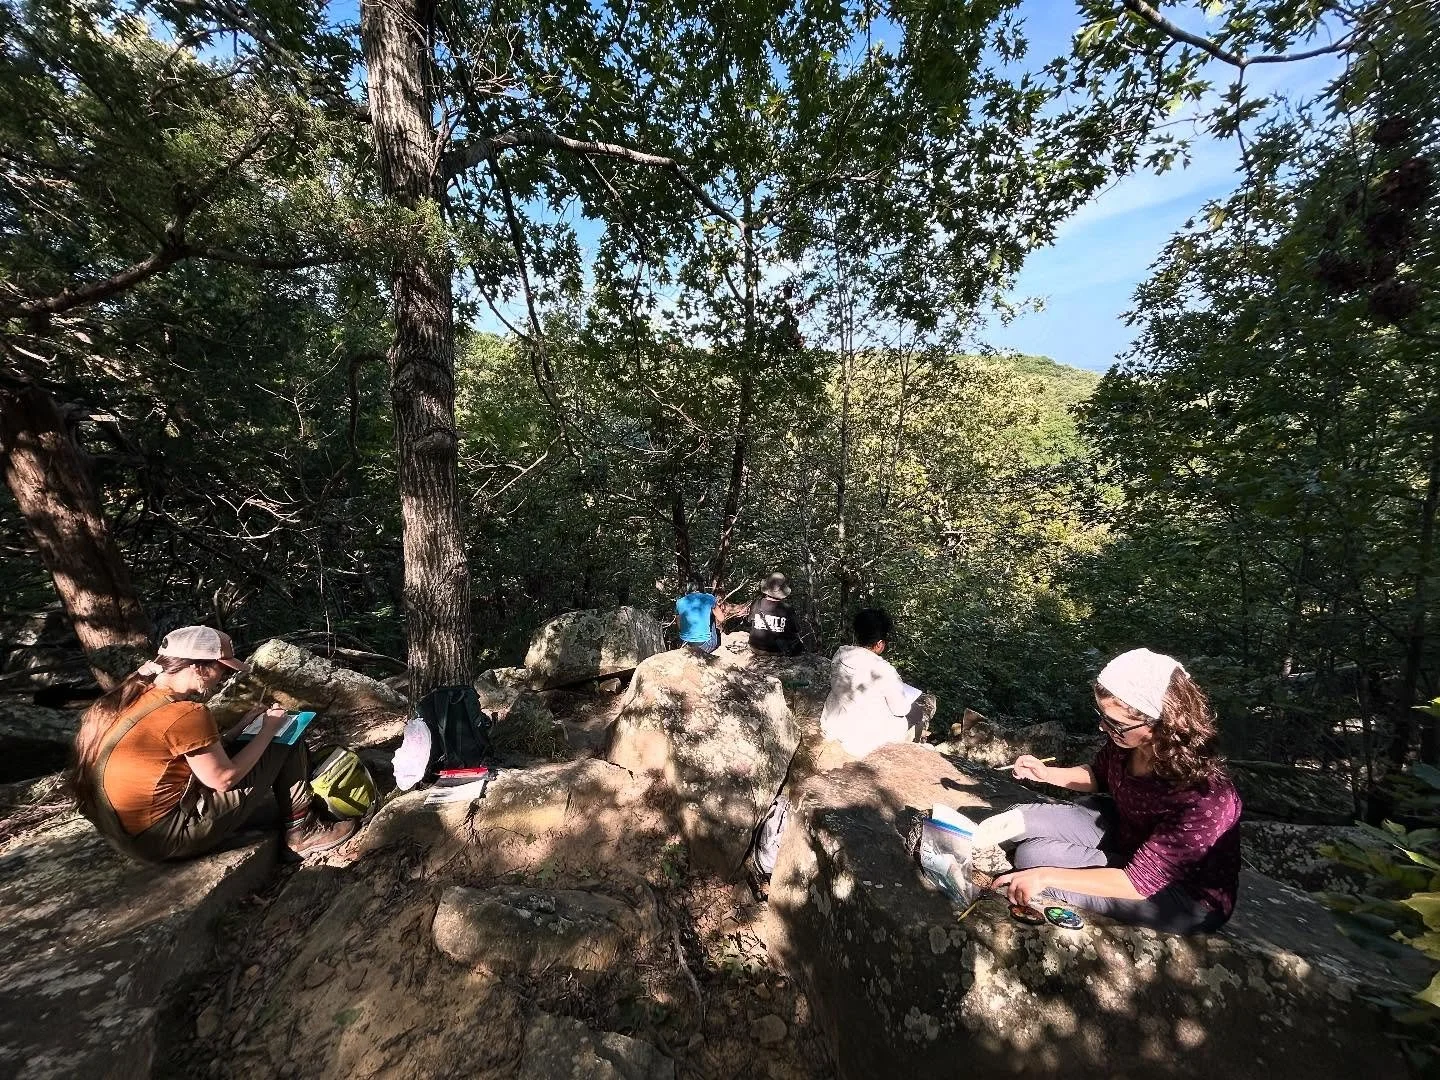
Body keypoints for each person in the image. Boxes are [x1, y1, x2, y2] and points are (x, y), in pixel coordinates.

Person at [989, 647, 1242, 934]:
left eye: (1115, 723)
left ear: (1161, 722)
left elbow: (1140, 882)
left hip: (1178, 894)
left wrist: (1044, 877)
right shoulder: (1126, 741)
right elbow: (1099, 775)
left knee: (1032, 859)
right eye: (1103, 716)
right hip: (1127, 833)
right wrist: (1047, 774)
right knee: (1017, 820)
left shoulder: (1205, 797)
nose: (1103, 727)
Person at [69, 625, 357, 863]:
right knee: (287, 736)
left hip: (130, 836)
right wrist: (269, 730)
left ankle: (294, 813)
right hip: (166, 837)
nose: (224, 677)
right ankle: (301, 832)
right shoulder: (187, 713)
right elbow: (223, 778)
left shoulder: (136, 697)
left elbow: (185, 756)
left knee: (264, 745)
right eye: (221, 669)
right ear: (197, 668)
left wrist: (240, 729)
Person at [819, 607, 936, 757]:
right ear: (880, 644)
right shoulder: (884, 670)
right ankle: (911, 747)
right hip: (864, 738)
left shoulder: (841, 653)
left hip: (834, 723)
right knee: (916, 712)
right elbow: (900, 710)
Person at [748, 572, 802, 656]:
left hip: (755, 647)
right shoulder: (787, 609)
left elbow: (750, 621)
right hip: (777, 650)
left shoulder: (757, 603)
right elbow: (795, 630)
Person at [675, 576, 721, 654]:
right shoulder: (709, 598)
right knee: (712, 616)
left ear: (688, 586)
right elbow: (721, 618)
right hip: (705, 644)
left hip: (685, 642)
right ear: (702, 585)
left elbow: (679, 624)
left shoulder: (679, 602)